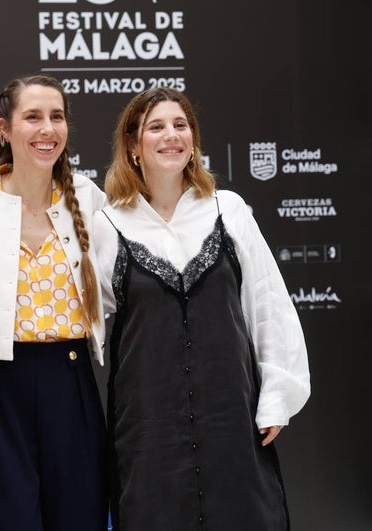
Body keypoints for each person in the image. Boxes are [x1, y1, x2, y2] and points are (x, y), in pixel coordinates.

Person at [93, 87, 311, 530]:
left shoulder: (227, 210)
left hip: (231, 419)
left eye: (181, 125)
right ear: (133, 147)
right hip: (149, 427)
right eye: (156, 127)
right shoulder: (107, 224)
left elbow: (267, 304)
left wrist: (275, 397)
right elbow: (87, 319)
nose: (171, 135)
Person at [0, 74, 108, 531]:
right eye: (32, 117)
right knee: (8, 519)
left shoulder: (88, 196)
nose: (47, 129)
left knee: (80, 516)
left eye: (56, 117)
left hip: (71, 377)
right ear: (5, 129)